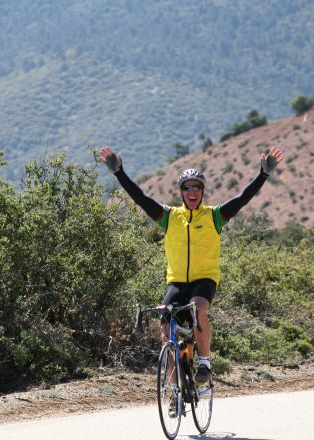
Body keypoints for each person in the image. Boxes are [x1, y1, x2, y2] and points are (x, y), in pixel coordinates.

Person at [99, 145, 283, 384]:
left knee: (198, 309)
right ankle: (176, 387)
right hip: (176, 282)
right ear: (181, 192)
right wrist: (119, 173)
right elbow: (140, 198)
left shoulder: (214, 216)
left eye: (197, 187)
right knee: (167, 328)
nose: (192, 191)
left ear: (202, 191)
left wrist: (263, 174)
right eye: (187, 187)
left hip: (204, 280)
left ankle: (205, 363)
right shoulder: (169, 217)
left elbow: (242, 199)